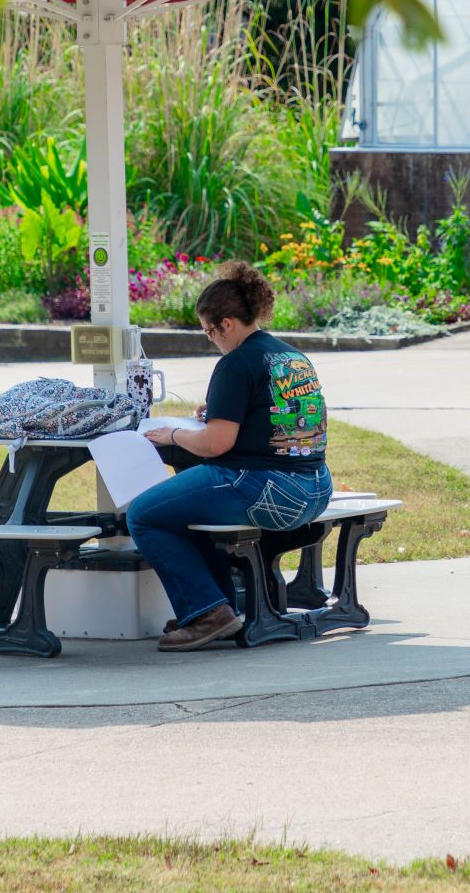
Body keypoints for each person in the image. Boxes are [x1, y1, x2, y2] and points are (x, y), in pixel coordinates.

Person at [127, 260, 333, 651]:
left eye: (208, 331)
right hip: (315, 488)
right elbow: (281, 419)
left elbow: (215, 445)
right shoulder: (291, 356)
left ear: (226, 324)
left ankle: (208, 613)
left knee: (144, 515)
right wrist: (223, 415)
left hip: (267, 490)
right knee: (184, 508)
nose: (211, 340)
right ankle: (216, 606)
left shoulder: (235, 364)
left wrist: (174, 433)